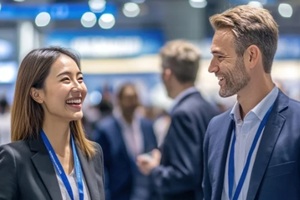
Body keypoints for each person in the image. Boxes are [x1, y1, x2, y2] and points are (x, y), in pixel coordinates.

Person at [203, 5, 300, 200]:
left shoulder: (296, 125)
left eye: (220, 57)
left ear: (251, 56)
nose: (211, 68)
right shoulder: (215, 129)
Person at [0, 47, 105, 200]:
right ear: (37, 94)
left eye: (80, 79)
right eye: (66, 79)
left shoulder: (92, 154)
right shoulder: (14, 159)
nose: (79, 87)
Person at [137, 39, 220, 200]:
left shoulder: (183, 113)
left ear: (167, 74)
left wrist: (154, 169)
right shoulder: (209, 108)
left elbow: (184, 175)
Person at [93, 82, 158, 200]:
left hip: (146, 193)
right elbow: (99, 166)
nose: (132, 103)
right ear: (119, 100)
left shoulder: (147, 126)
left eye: (135, 98)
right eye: (128, 98)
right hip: (117, 193)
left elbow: (154, 152)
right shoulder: (105, 129)